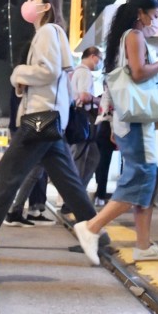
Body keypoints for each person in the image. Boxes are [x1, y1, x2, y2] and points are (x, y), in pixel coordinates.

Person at [0, 0, 98, 248]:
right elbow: (53, 76)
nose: (27, 3)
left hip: (40, 117)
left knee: (10, 170)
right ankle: (97, 235)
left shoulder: (46, 32)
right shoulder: (52, 33)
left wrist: (18, 73)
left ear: (46, 8)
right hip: (50, 117)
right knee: (69, 182)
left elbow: (48, 71)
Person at [73, 0, 158, 264]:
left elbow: (116, 82)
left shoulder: (122, 39)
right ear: (141, 13)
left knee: (144, 181)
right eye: (154, 15)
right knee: (140, 177)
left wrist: (111, 121)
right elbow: (137, 73)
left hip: (129, 120)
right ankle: (91, 228)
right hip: (135, 122)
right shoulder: (134, 36)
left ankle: (144, 245)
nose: (155, 21)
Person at [66, 46, 103, 203]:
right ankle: (74, 199)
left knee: (92, 157)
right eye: (100, 59)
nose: (100, 62)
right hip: (84, 118)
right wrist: (98, 100)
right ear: (93, 57)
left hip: (78, 117)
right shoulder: (85, 72)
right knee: (81, 159)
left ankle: (77, 195)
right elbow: (84, 95)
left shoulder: (76, 72)